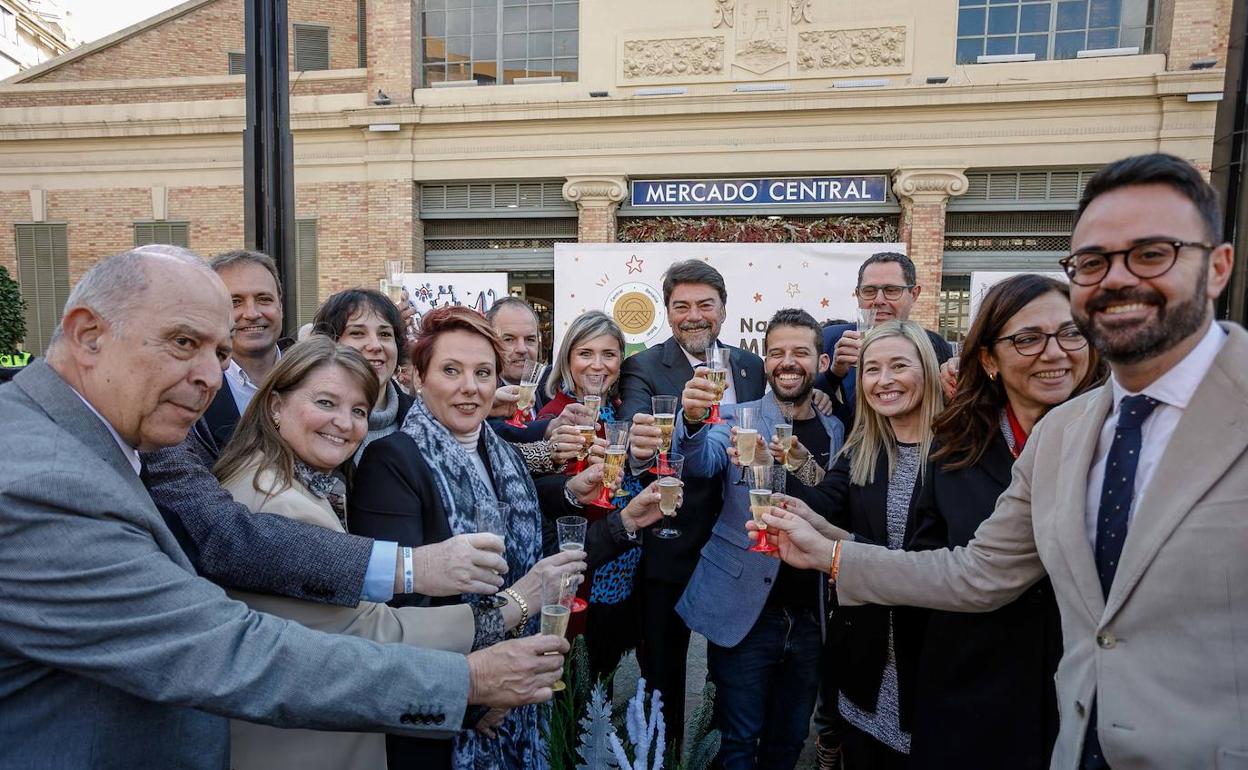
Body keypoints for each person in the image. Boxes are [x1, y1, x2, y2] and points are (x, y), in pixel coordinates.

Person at [754, 153, 1247, 769]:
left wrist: (827, 545)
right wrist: (817, 534)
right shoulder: (1052, 434)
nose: (1119, 281)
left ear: (1218, 266)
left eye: (1154, 253)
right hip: (1004, 712)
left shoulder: (975, 435)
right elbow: (978, 572)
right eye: (1094, 263)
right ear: (990, 359)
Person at [0, 246, 568, 769]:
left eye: (219, 353)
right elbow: (232, 645)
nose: (206, 376)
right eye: (182, 343)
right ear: (88, 334)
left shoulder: (127, 439)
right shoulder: (42, 483)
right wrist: (468, 677)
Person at [211, 336, 583, 770]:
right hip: (311, 741)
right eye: (326, 403)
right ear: (275, 405)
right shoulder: (285, 498)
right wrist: (511, 614)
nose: (344, 423)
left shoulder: (308, 482)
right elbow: (372, 629)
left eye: (358, 411)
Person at [349, 305, 564, 769]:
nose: (470, 387)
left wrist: (624, 523)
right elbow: (398, 609)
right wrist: (479, 693)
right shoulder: (391, 462)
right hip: (442, 710)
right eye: (451, 370)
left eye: (483, 372)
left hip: (518, 693)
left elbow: (535, 563)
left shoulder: (503, 454)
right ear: (417, 378)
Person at [906, 274, 1103, 769]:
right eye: (1028, 339)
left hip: (1090, 699)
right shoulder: (953, 449)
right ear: (989, 360)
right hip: (971, 695)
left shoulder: (1124, 446)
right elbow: (923, 563)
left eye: (1070, 333)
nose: (1054, 353)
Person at [670, 308, 845, 770]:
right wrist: (688, 422)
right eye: (777, 353)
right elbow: (702, 461)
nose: (788, 362)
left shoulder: (835, 428)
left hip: (810, 617)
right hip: (747, 611)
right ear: (765, 363)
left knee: (789, 742)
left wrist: (795, 462)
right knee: (736, 742)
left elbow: (834, 497)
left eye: (800, 353)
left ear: (821, 363)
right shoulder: (737, 417)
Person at [617, 258, 767, 745]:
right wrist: (686, 414)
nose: (694, 315)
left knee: (732, 677)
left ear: (724, 310)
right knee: (662, 677)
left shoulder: (748, 365)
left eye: (706, 304)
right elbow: (642, 436)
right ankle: (665, 755)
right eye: (681, 306)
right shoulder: (643, 366)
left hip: (736, 547)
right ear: (667, 312)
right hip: (670, 543)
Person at [786, 320, 944, 770]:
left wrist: (832, 545)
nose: (884, 379)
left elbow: (946, 562)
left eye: (899, 365)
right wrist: (791, 479)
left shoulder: (961, 450)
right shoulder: (864, 445)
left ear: (929, 371)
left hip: (933, 658)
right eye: (872, 369)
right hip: (867, 660)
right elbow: (827, 506)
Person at [534, 310, 649, 677]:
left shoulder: (620, 413)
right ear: (568, 358)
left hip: (624, 576)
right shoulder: (555, 419)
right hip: (582, 579)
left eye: (609, 354)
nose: (598, 365)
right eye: (585, 353)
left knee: (604, 684)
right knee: (575, 692)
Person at [817, 252, 953, 427]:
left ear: (914, 294)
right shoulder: (831, 340)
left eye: (891, 290)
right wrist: (834, 374)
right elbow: (804, 404)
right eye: (869, 291)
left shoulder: (933, 346)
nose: (879, 300)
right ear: (858, 294)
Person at [311, 288, 415, 464]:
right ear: (330, 343)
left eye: (384, 334)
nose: (375, 345)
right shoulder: (311, 420)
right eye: (357, 333)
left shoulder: (426, 421)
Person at [202, 249, 287, 446]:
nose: (251, 313)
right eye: (235, 302)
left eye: (264, 299)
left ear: (280, 306)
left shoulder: (314, 377)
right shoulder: (190, 389)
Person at [487, 297, 553, 442]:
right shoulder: (480, 396)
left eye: (530, 339)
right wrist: (549, 428)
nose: (522, 349)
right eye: (509, 339)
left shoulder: (545, 390)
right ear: (489, 343)